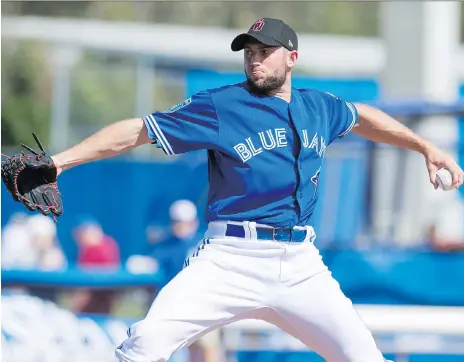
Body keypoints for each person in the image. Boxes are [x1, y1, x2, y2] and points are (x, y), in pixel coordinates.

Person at [48, 18, 463, 362]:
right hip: (230, 257)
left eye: (265, 51)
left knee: (364, 358)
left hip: (300, 263)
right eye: (249, 52)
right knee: (145, 344)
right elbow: (138, 131)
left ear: (292, 57)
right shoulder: (221, 105)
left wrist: (425, 146)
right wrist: (59, 162)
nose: (255, 59)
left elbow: (364, 117)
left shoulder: (318, 106)